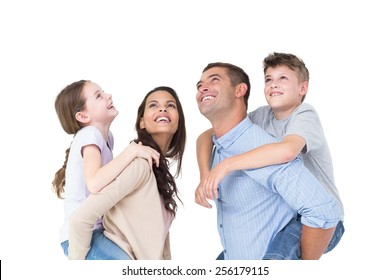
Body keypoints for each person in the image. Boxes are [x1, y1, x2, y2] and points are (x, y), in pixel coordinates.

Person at [195, 53, 345, 259]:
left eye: (283, 78)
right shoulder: (262, 116)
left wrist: (227, 165)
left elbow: (288, 151)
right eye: (268, 79)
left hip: (322, 217)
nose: (274, 84)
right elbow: (208, 136)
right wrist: (206, 174)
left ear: (303, 88)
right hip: (291, 208)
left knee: (277, 258)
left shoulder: (304, 114)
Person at [67, 86, 186, 260]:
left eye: (171, 105)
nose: (163, 108)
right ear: (141, 122)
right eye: (153, 105)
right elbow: (80, 219)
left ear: (178, 121)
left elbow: (158, 245)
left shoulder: (156, 170)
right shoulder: (139, 164)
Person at [52, 80, 160, 259]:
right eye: (98, 96)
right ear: (83, 116)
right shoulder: (89, 135)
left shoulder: (107, 138)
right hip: (81, 236)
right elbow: (94, 183)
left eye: (103, 92)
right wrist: (131, 151)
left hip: (98, 230)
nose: (108, 96)